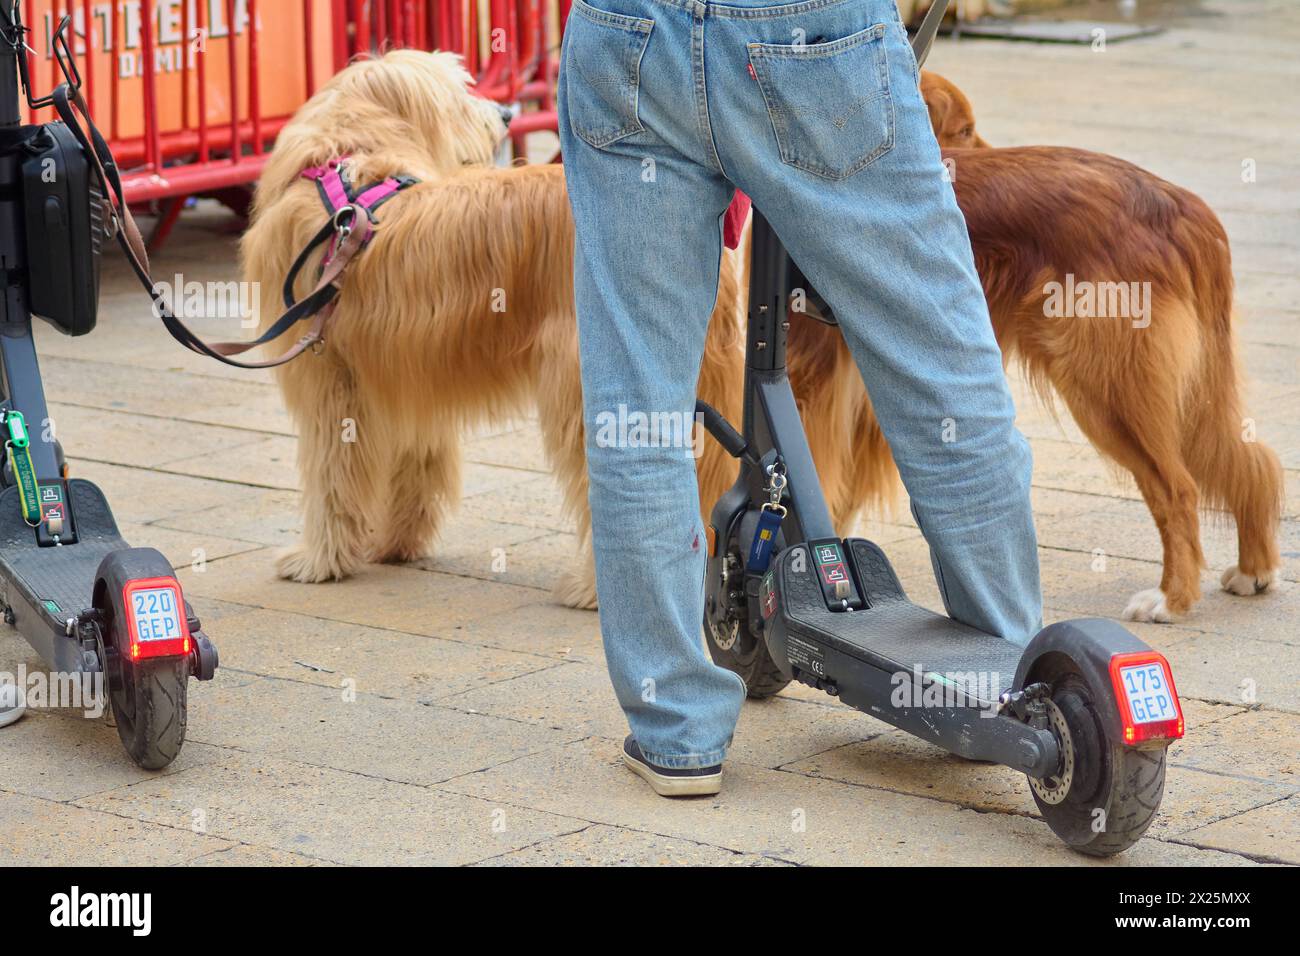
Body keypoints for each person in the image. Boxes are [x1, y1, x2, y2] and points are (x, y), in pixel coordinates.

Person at [557, 0, 1040, 797]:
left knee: (636, 403)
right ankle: (1007, 679)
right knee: (938, 360)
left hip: (628, 35)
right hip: (814, 34)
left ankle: (677, 732)